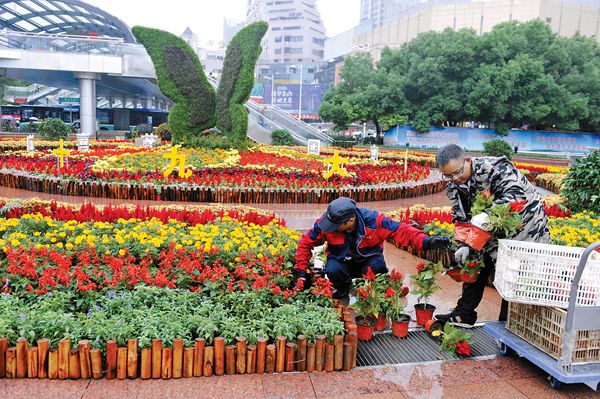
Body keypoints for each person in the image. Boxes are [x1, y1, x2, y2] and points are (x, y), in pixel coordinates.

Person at [434, 144, 550, 327]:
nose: (454, 178)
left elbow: (516, 197)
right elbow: (461, 216)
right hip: (487, 227)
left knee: (514, 274)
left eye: (457, 172)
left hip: (522, 228)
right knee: (474, 260)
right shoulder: (453, 185)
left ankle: (509, 322)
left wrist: (487, 215)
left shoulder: (496, 168)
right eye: (448, 175)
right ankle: (464, 313)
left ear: (467, 160)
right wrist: (464, 244)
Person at [294, 196, 451, 299]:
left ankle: (372, 292)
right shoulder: (326, 224)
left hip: (367, 261)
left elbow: (400, 230)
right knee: (333, 269)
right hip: (342, 261)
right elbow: (305, 243)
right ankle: (343, 287)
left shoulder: (373, 221)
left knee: (378, 266)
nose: (331, 228)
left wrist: (426, 241)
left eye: (336, 225)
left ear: (350, 221)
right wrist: (302, 271)